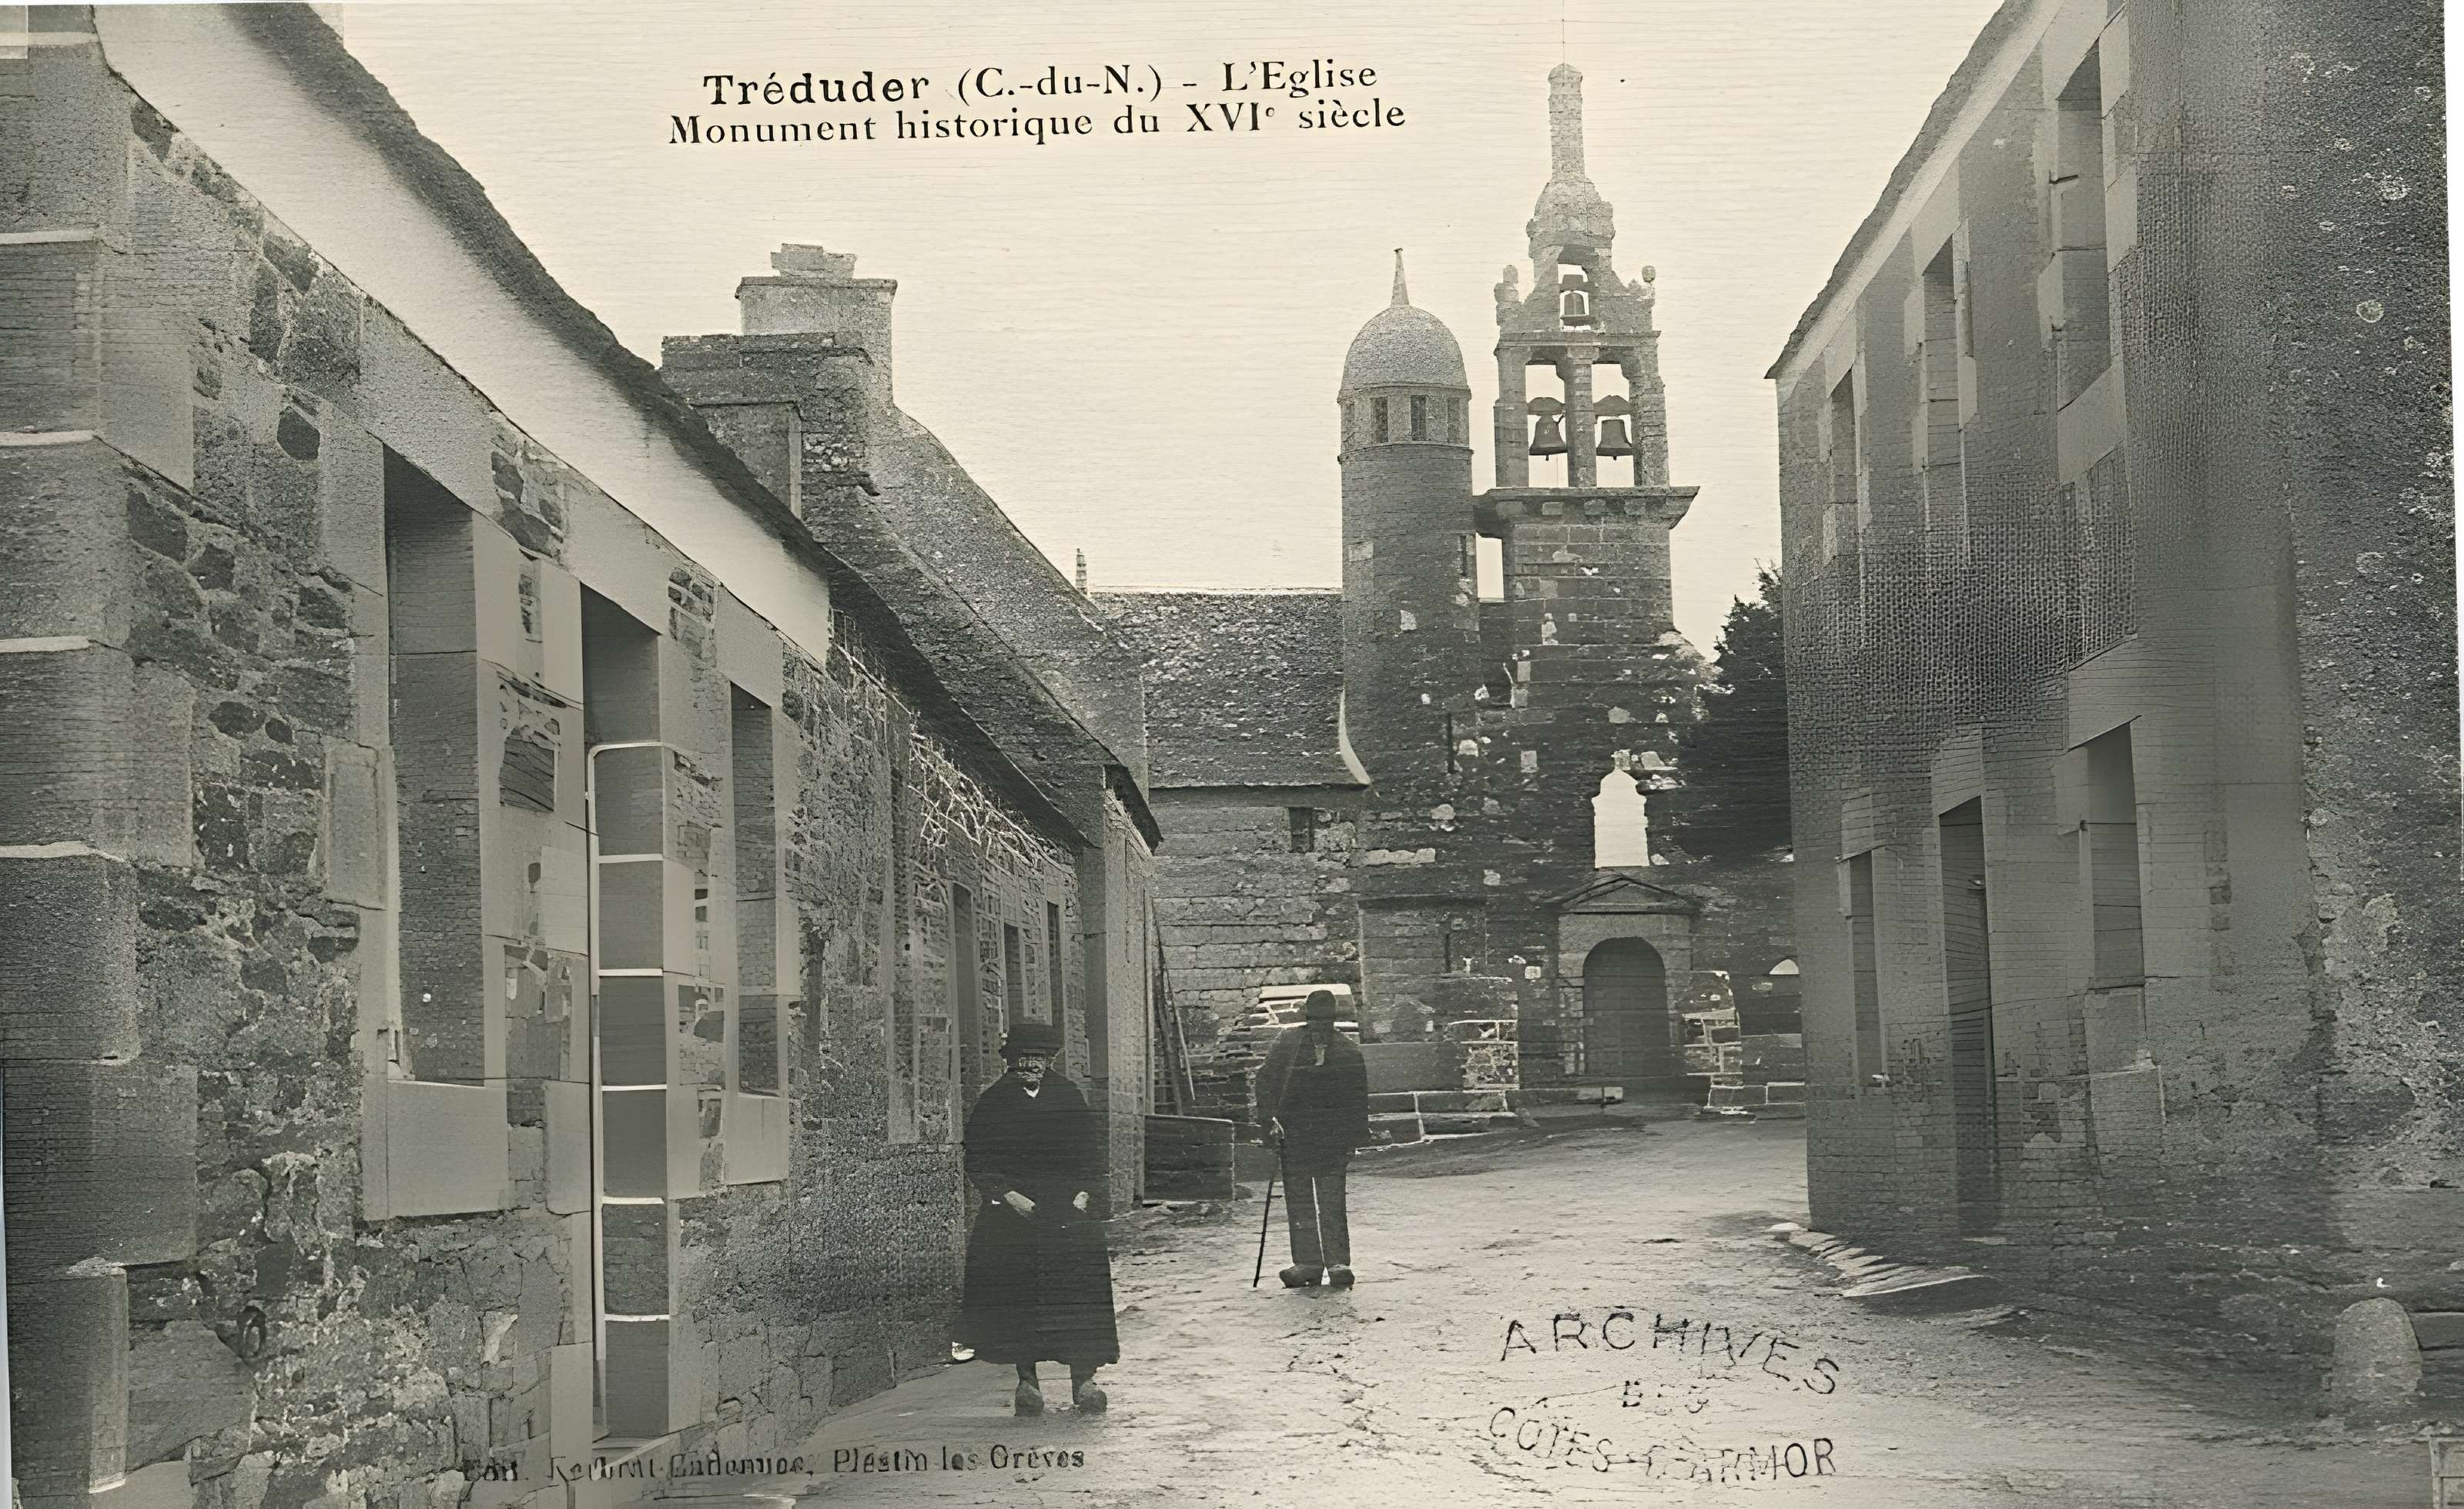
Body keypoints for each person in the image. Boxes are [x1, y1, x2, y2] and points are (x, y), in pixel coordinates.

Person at [952, 1019, 1121, 1416]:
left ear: (1050, 1061)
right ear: (1010, 1062)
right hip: (1016, 1213)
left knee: (1077, 1298)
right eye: (1023, 1059)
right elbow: (978, 1159)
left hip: (1069, 1211)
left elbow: (1091, 1154)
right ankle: (1027, 1383)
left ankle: (1085, 1381)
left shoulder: (1069, 1096)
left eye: (1040, 1059)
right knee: (1019, 1298)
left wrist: (1085, 1194)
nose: (1031, 1065)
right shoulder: (994, 1102)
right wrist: (1008, 1196)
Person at [1252, 990, 1373, 1288]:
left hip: (1331, 1141)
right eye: (1315, 1021)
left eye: (1326, 1022)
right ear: (1307, 1020)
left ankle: (1338, 1263)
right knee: (1300, 1202)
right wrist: (1270, 1121)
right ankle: (1307, 1263)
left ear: (1333, 1022)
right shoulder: (1288, 1044)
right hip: (1294, 1138)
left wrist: (1353, 1140)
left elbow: (1358, 1101)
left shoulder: (1348, 1053)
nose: (1320, 1027)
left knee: (1332, 1203)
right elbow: (1265, 1081)